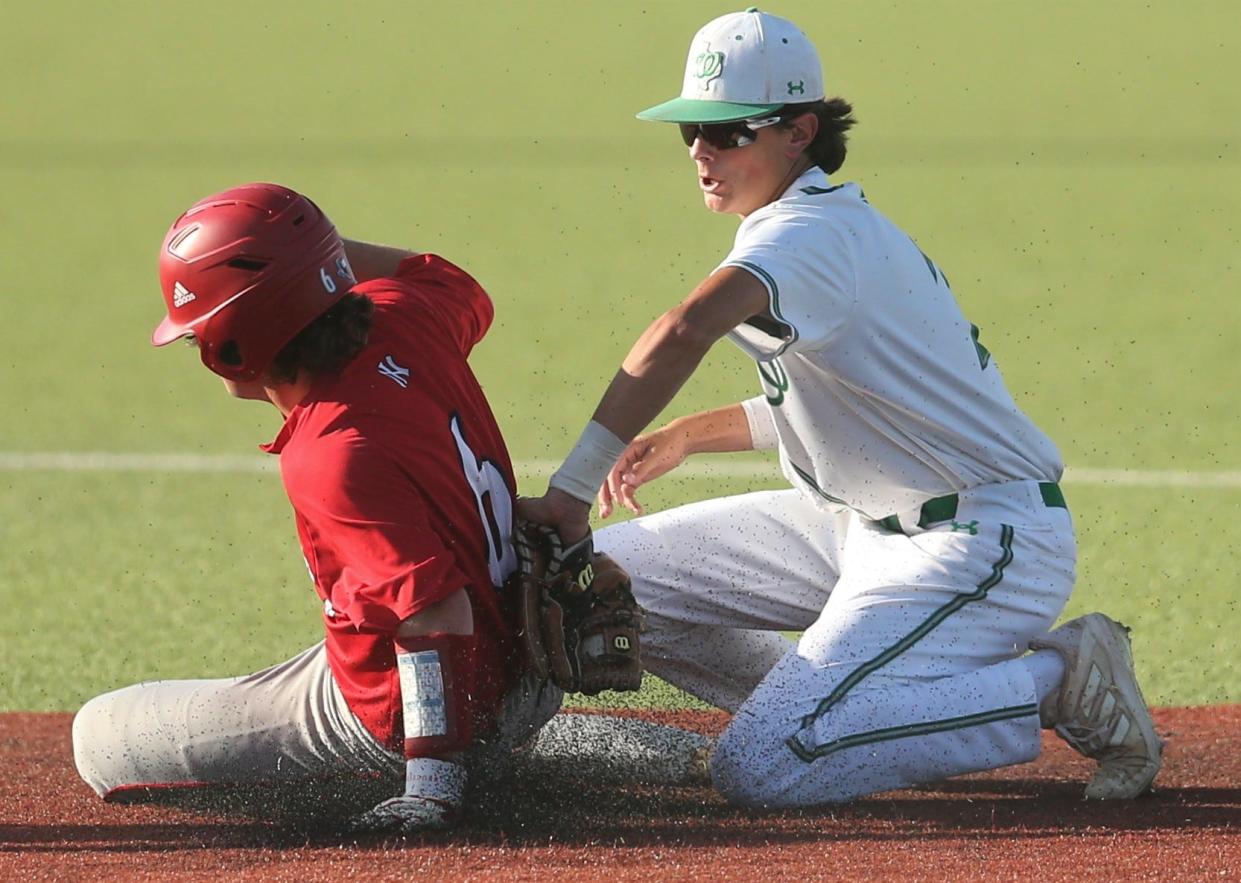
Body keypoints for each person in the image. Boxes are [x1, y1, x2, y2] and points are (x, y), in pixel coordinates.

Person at [519, 8, 1163, 807]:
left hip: (976, 541)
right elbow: (853, 404)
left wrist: (570, 487)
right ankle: (820, 712)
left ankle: (1054, 679)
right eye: (689, 129)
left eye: (727, 131)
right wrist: (690, 433)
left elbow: (682, 329)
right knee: (615, 577)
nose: (699, 150)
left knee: (757, 770)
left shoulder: (807, 238)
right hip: (860, 525)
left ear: (799, 131)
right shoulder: (819, 229)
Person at [71, 182, 566, 832]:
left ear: (232, 340)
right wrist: (309, 251)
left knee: (101, 736)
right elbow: (439, 275)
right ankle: (552, 742)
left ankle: (458, 762)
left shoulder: (329, 451)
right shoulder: (405, 314)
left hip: (410, 713)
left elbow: (433, 611)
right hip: (525, 673)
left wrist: (432, 785)